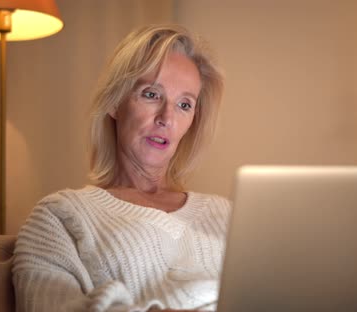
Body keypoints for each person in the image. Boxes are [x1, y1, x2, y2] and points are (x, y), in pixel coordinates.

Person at [12, 24, 230, 312]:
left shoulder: (226, 214)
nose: (167, 117)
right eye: (152, 94)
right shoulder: (61, 215)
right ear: (115, 102)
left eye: (184, 104)